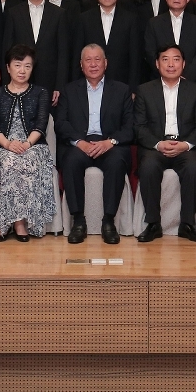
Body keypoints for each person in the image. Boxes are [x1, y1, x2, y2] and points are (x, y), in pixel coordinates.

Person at [56, 44, 135, 244]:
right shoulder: (69, 90)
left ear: (106, 63)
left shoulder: (122, 90)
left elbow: (130, 126)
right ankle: (78, 221)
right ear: (81, 65)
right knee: (71, 161)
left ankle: (108, 222)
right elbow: (61, 123)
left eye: (97, 59)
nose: (93, 64)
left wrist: (110, 142)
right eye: (88, 60)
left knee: (116, 162)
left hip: (109, 144)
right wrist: (79, 142)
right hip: (80, 144)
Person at [0, 45, 58, 240]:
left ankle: (19, 223)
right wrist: (8, 145)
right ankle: (6, 222)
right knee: (7, 161)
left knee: (26, 161)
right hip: (3, 145)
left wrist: (26, 145)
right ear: (8, 67)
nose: (22, 70)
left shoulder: (40, 92)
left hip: (34, 146)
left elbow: (41, 125)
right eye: (18, 65)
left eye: (27, 66)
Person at [134, 45, 196, 242]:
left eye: (176, 59)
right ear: (157, 63)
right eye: (165, 59)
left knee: (194, 167)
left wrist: (186, 144)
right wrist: (158, 144)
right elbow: (139, 127)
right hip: (155, 146)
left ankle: (187, 224)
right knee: (149, 166)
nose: (170, 64)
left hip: (185, 146)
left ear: (183, 64)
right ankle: (153, 224)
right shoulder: (144, 90)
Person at [3, 0, 69, 104]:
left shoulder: (59, 14)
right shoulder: (13, 13)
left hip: (49, 80)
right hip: (19, 79)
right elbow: (7, 49)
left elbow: (63, 53)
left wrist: (60, 85)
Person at [80, 0, 141, 92]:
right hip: (90, 83)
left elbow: (135, 57)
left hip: (122, 84)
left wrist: (133, 89)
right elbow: (79, 53)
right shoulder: (84, 19)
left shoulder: (131, 19)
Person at [144, 0, 196, 82]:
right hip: (160, 81)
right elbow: (150, 52)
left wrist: (186, 76)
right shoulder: (154, 23)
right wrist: (167, 74)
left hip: (192, 81)